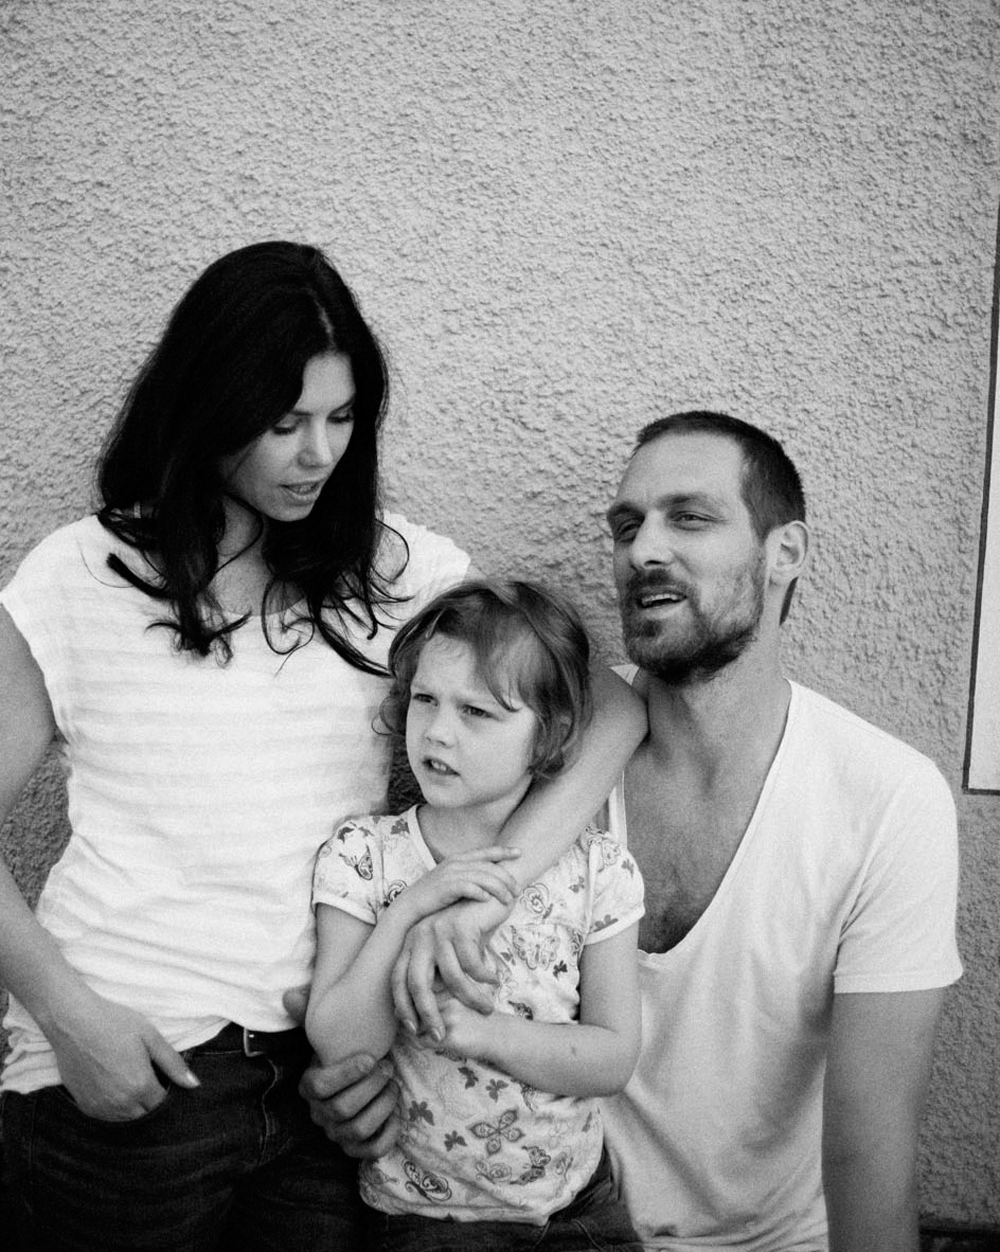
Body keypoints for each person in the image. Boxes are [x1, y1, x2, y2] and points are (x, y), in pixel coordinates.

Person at [0, 241, 643, 1252]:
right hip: (131, 1067)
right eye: (284, 422)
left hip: (324, 1088)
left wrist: (487, 890)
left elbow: (612, 712)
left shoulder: (390, 568)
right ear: (206, 407)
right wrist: (68, 1019)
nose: (318, 454)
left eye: (342, 419)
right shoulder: (81, 573)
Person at [304, 410, 962, 1252]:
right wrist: (347, 1077)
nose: (643, 548)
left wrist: (479, 904)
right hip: (533, 1217)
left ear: (785, 552)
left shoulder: (887, 800)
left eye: (689, 517)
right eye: (626, 526)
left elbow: (873, 1153)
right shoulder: (539, 750)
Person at [306, 578, 645, 1248]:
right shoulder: (365, 857)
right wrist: (410, 910)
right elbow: (341, 1043)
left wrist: (488, 1034)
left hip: (577, 1206)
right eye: (425, 699)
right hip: (426, 1218)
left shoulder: (596, 871)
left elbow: (612, 1056)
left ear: (550, 733)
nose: (438, 732)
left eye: (477, 712)